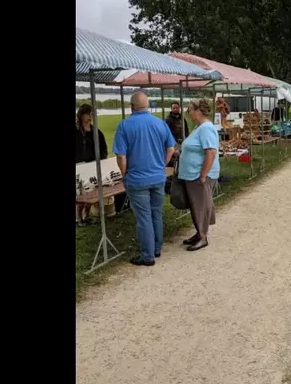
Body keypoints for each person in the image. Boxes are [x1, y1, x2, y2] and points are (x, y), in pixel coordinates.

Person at [113, 92, 176, 266]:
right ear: (147, 105)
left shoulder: (124, 126)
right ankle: (157, 248)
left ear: (131, 106)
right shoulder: (160, 123)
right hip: (157, 176)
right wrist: (161, 165)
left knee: (144, 217)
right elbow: (171, 148)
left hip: (137, 179)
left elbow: (121, 156)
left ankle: (147, 255)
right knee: (156, 213)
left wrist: (124, 174)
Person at [178, 99, 221, 251]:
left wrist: (203, 175)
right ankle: (199, 233)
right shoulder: (199, 127)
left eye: (189, 109)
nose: (188, 112)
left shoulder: (206, 128)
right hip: (192, 174)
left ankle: (203, 237)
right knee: (196, 205)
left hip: (199, 175)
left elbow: (210, 152)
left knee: (201, 206)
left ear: (198, 111)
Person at [75, 103, 108, 227]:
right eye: (87, 114)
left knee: (91, 192)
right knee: (80, 193)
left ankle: (86, 216)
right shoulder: (76, 131)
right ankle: (79, 218)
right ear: (81, 115)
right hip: (79, 167)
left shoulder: (96, 131)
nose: (90, 116)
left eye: (92, 114)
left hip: (93, 166)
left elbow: (103, 147)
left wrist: (102, 160)